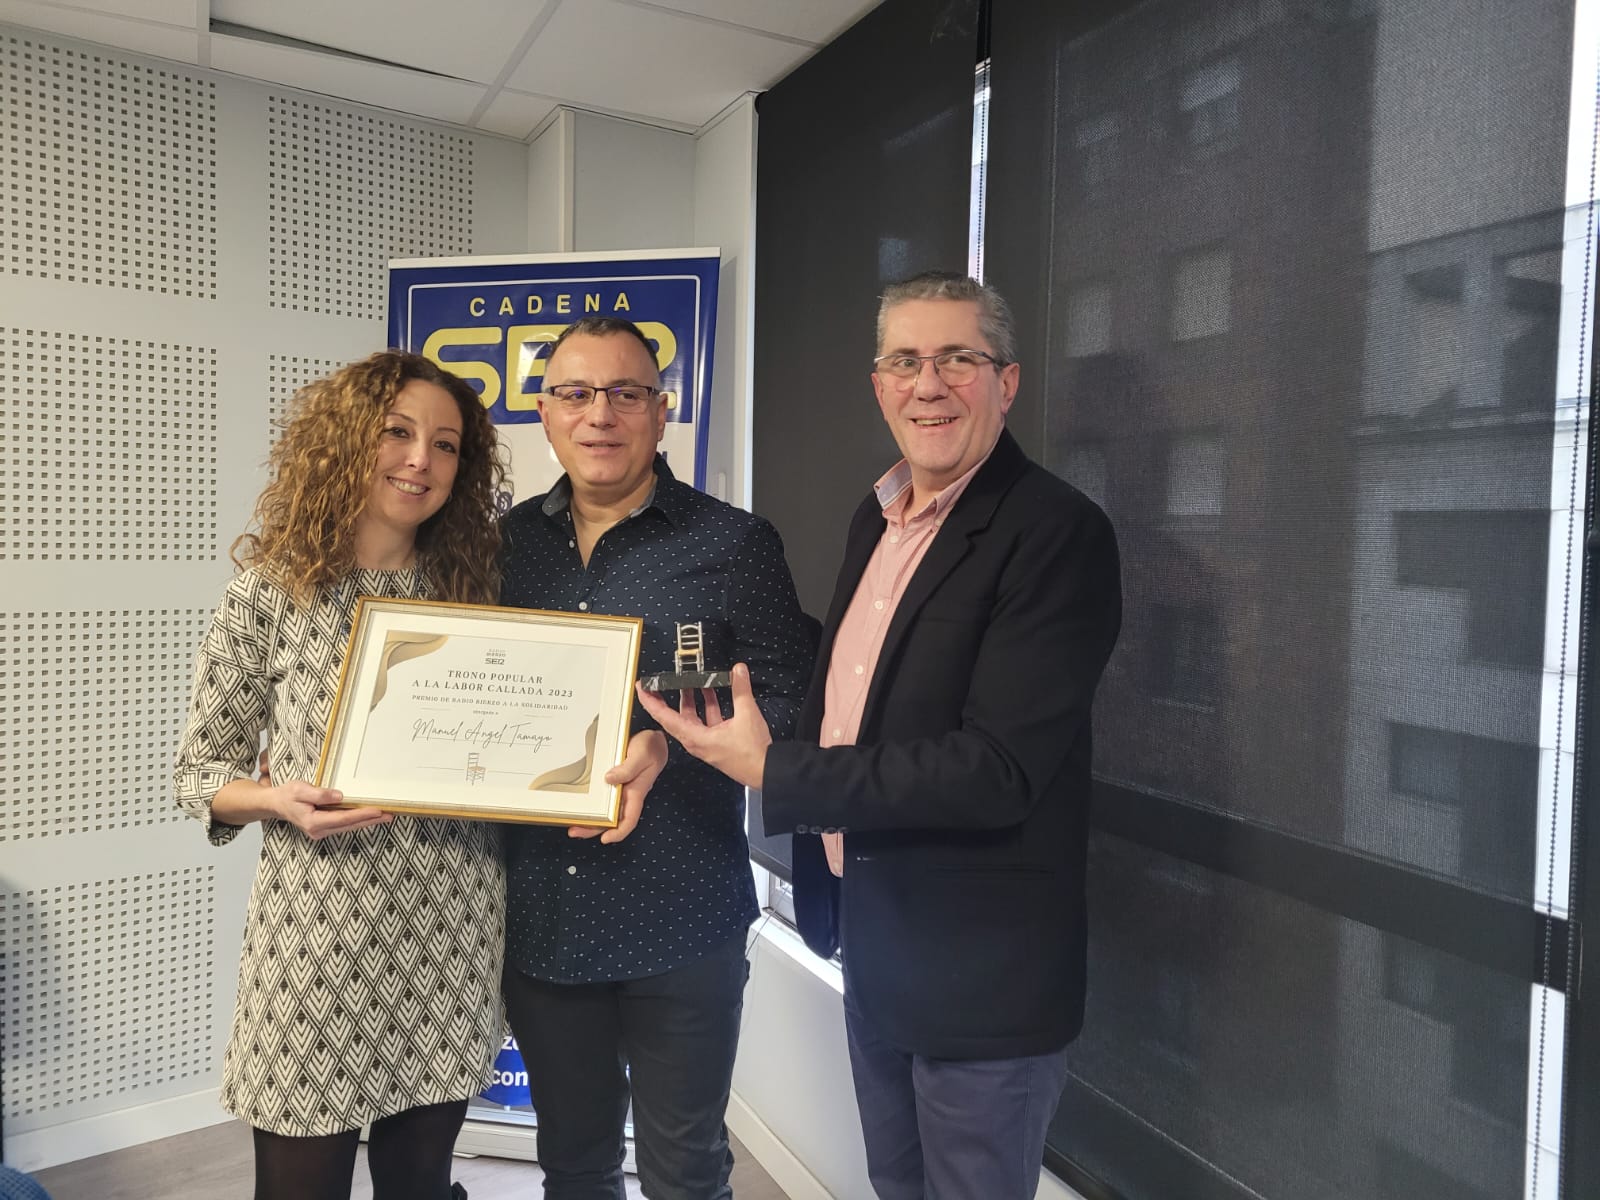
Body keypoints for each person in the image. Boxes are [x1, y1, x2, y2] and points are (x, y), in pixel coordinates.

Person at [640, 272, 1123, 1200]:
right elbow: (852, 697)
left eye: (957, 359)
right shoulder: (881, 515)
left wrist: (775, 771)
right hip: (876, 941)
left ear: (1007, 381)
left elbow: (997, 770)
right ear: (878, 383)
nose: (928, 384)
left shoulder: (1057, 532)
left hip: (983, 978)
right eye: (905, 360)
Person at [173, 351, 665, 1200]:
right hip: (318, 935)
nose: (419, 462)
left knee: (420, 1185)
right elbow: (200, 773)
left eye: (444, 446)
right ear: (344, 444)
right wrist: (276, 800)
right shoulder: (269, 591)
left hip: (451, 928)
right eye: (397, 435)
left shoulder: (477, 587)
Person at [497, 317, 813, 1199]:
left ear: (662, 410)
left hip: (682, 914)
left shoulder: (734, 545)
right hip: (543, 914)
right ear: (544, 412)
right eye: (575, 393)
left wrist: (670, 746)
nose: (600, 414)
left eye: (625, 392)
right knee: (574, 1163)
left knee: (686, 1169)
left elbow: (790, 700)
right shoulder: (502, 548)